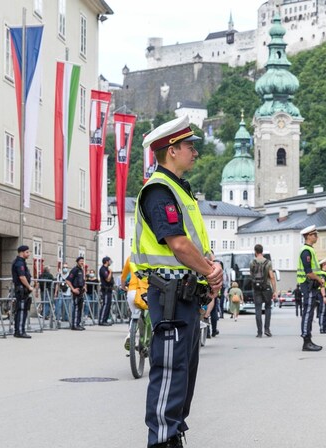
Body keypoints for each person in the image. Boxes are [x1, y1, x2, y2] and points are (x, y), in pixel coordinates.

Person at [130, 116, 223, 448]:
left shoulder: (179, 190)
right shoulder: (159, 190)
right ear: (171, 150)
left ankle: (173, 432)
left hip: (184, 291)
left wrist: (210, 272)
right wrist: (211, 272)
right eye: (189, 146)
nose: (194, 153)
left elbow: (194, 245)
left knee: (183, 369)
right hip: (168, 291)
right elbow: (179, 244)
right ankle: (162, 440)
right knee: (169, 368)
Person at [297, 225, 325, 351]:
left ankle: (308, 340)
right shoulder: (306, 251)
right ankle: (306, 341)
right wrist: (319, 280)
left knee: (309, 312)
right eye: (315, 235)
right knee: (308, 312)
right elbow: (309, 272)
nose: (317, 237)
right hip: (307, 284)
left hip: (310, 285)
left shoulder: (310, 250)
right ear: (308, 236)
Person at [250, 244, 276, 338]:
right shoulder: (268, 262)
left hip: (256, 288)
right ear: (262, 251)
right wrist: (275, 290)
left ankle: (259, 332)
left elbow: (251, 275)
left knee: (258, 309)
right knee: (268, 308)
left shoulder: (252, 262)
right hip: (267, 287)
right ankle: (267, 329)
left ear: (255, 252)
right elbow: (272, 277)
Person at [11, 245, 35, 338]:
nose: (29, 254)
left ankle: (20, 330)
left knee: (23, 310)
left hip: (23, 290)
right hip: (21, 290)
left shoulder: (22, 262)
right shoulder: (19, 263)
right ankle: (20, 331)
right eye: (27, 252)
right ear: (22, 252)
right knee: (21, 310)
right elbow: (22, 277)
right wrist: (29, 287)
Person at [65, 257, 87, 331]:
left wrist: (84, 286)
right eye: (80, 261)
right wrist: (73, 289)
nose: (82, 262)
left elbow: (82, 280)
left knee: (80, 308)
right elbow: (68, 280)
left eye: (82, 261)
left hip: (81, 291)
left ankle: (78, 323)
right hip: (76, 291)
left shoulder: (81, 270)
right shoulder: (74, 270)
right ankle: (74, 325)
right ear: (77, 262)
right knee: (76, 308)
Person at [98, 257, 114, 326]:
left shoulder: (107, 269)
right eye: (109, 261)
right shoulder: (103, 269)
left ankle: (105, 320)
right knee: (105, 304)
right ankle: (101, 320)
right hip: (105, 290)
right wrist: (110, 272)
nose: (110, 262)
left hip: (109, 289)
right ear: (106, 261)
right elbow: (107, 279)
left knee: (108, 305)